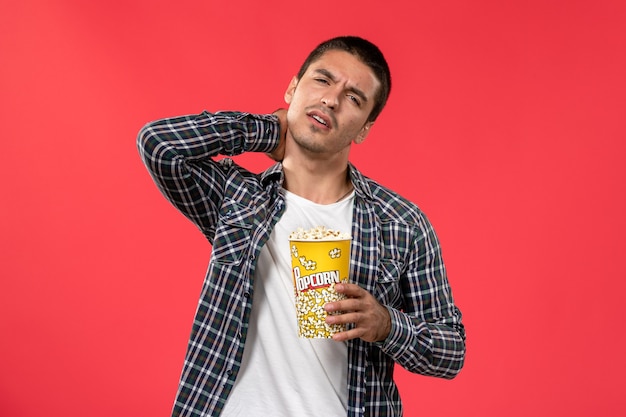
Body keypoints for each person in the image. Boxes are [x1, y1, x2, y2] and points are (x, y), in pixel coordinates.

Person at [137, 36, 465, 417]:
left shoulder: (402, 224)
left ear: (364, 130)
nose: (331, 100)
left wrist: (387, 324)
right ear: (293, 87)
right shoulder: (238, 198)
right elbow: (159, 145)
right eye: (322, 80)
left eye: (354, 98)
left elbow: (450, 352)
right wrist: (265, 131)